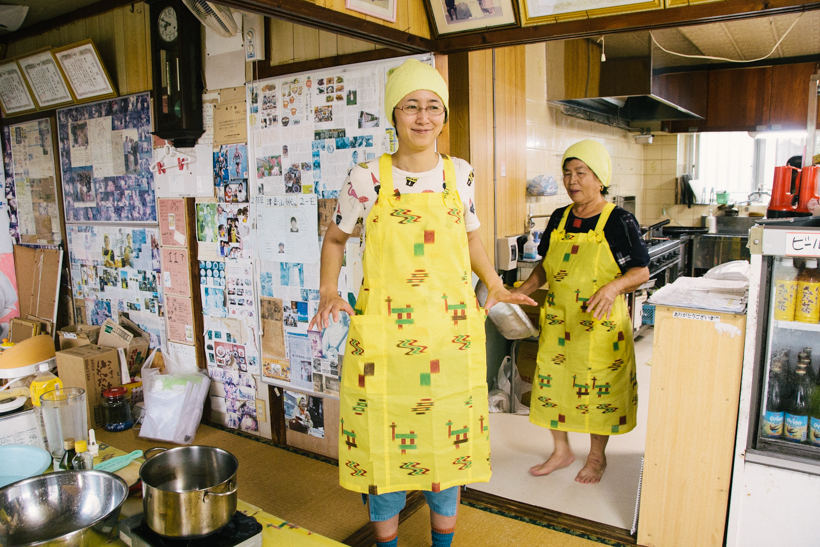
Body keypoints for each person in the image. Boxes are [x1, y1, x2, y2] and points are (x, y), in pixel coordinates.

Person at [308, 59, 535, 547]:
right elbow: (334, 239)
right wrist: (329, 289)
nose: (423, 117)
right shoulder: (366, 178)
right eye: (411, 106)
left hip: (448, 337)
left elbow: (472, 238)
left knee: (447, 449)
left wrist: (493, 282)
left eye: (433, 107)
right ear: (394, 114)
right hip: (387, 343)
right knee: (383, 449)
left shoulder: (461, 175)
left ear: (444, 115)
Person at [511, 140, 649, 484]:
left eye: (581, 173)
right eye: (567, 173)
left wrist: (612, 287)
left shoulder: (619, 219)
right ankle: (561, 451)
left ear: (599, 178)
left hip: (599, 326)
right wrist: (522, 291)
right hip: (560, 321)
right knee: (553, 385)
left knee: (597, 389)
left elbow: (641, 270)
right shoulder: (560, 217)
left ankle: (597, 457)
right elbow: (546, 266)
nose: (572, 180)